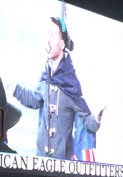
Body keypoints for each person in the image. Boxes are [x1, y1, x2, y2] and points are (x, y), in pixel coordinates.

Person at [11, 17, 104, 160]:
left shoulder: (70, 84)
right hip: (40, 158)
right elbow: (34, 100)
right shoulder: (45, 76)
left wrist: (97, 117)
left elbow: (88, 123)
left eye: (52, 35)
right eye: (48, 35)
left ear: (61, 44)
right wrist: (13, 89)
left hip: (61, 163)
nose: (48, 40)